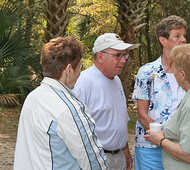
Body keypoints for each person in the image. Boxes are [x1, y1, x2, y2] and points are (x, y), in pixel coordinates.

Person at [14, 37, 108, 170]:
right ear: (69, 70)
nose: (80, 73)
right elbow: (94, 162)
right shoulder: (69, 108)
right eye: (80, 67)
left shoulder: (32, 97)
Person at [73, 33, 138, 170]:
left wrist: (125, 150)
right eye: (118, 55)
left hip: (118, 156)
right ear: (100, 56)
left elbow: (118, 119)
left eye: (124, 55)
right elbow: (74, 126)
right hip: (96, 159)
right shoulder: (84, 82)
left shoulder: (116, 80)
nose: (123, 60)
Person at [132, 15, 187, 169]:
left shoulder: (188, 71)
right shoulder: (147, 72)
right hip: (150, 150)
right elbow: (142, 115)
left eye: (184, 36)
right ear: (163, 40)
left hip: (181, 148)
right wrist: (163, 138)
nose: (183, 40)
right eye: (177, 36)